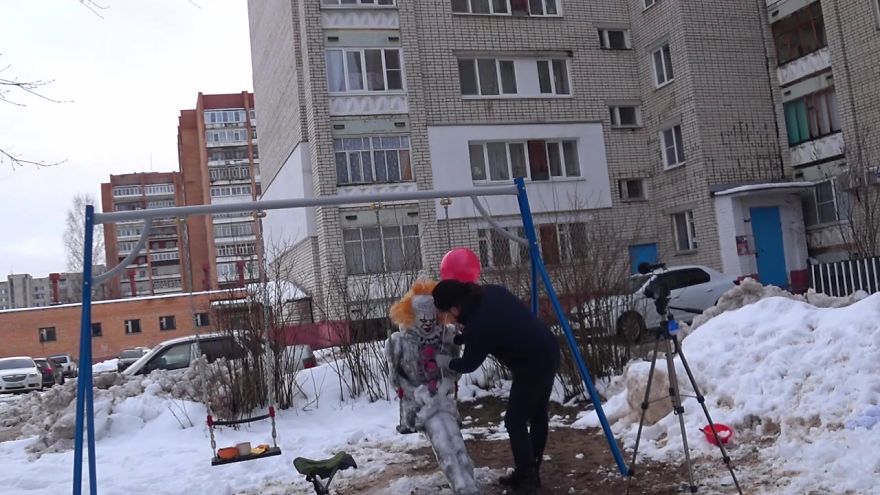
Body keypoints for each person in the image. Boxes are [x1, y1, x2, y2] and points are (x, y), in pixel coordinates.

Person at [433, 280, 561, 494]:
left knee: (515, 421)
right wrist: (461, 338)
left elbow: (468, 364)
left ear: (455, 308)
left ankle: (527, 480)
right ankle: (530, 471)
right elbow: (499, 322)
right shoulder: (489, 292)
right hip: (548, 349)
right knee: (537, 414)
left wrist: (443, 361)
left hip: (533, 365)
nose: (448, 318)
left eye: (446, 313)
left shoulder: (480, 325)